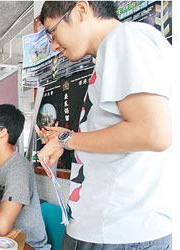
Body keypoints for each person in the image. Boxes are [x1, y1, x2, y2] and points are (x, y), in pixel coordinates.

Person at [37, 1, 174, 249]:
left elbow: (154, 133)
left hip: (117, 232)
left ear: (81, 10)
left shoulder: (125, 38)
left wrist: (67, 139)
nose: (54, 46)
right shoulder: (113, 50)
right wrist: (66, 137)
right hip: (108, 229)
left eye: (53, 31)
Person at [0, 104, 50, 250]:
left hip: (29, 245)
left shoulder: (18, 168)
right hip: (8, 240)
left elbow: (1, 226)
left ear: (2, 132)